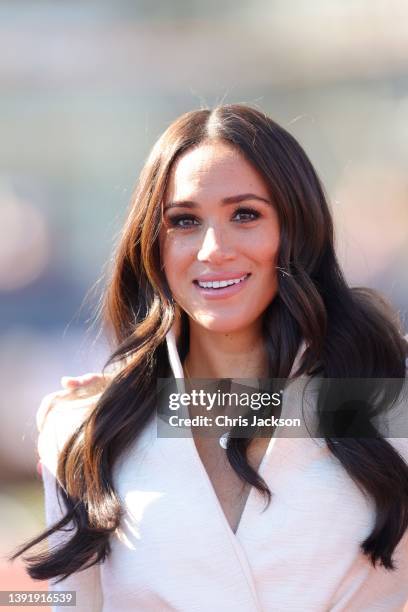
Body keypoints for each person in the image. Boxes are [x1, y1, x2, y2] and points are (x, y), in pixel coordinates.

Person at [11, 104, 408, 611]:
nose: (213, 248)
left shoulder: (383, 400)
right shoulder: (89, 427)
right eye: (184, 221)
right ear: (152, 245)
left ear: (295, 229)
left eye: (246, 215)